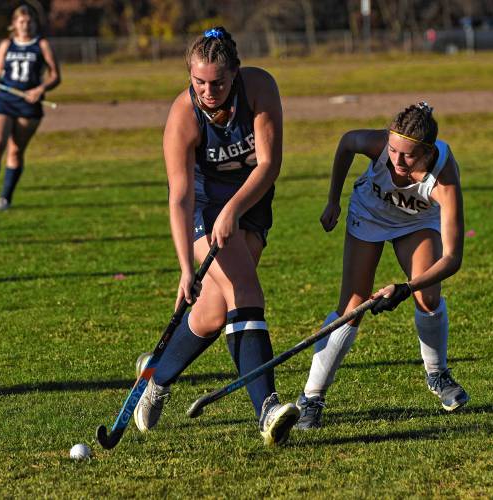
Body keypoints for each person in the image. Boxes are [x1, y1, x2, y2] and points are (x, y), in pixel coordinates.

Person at [133, 27, 299, 446]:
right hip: (205, 206)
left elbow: (269, 163)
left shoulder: (259, 88)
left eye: (218, 82)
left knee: (210, 314)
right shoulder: (182, 117)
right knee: (244, 289)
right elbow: (179, 197)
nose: (208, 91)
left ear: (236, 74)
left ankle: (157, 374)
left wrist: (235, 210)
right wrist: (185, 268)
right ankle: (267, 410)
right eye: (199, 82)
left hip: (251, 198)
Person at [295, 102, 469, 429]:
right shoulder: (379, 146)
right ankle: (311, 399)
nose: (397, 161)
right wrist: (333, 199)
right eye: (393, 151)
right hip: (369, 213)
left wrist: (405, 288)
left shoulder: (444, 182)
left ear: (428, 152)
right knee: (352, 306)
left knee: (427, 296)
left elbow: (452, 259)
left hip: (417, 222)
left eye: (408, 156)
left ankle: (438, 375)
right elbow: (347, 141)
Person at [0, 4, 60, 212]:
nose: (26, 26)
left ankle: (5, 198)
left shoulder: (42, 45)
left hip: (29, 105)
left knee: (16, 151)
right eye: (22, 22)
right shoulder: (6, 45)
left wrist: (40, 89)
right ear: (14, 24)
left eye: (30, 22)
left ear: (36, 23)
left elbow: (56, 76)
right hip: (5, 100)